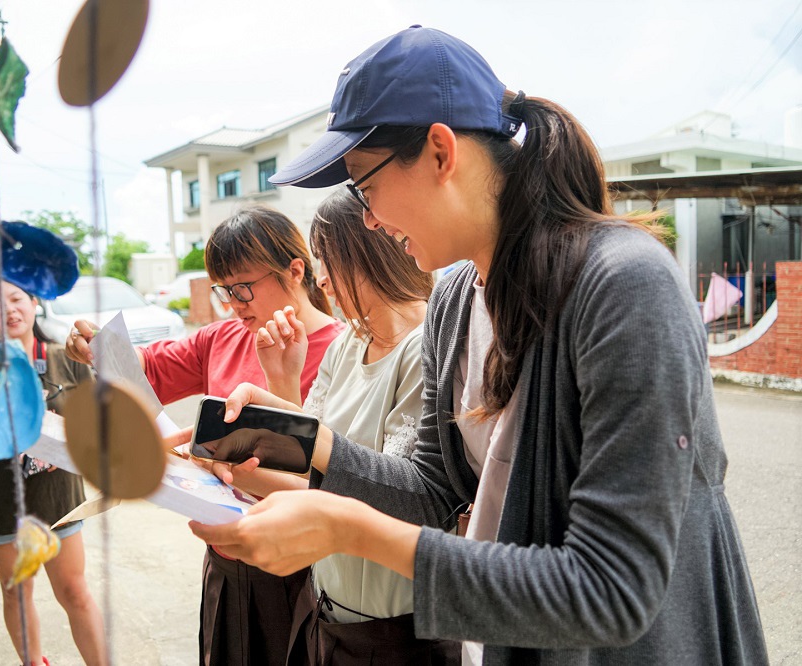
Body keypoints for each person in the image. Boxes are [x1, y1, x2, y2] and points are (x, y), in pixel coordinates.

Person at [187, 26, 768, 665]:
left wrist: (347, 528)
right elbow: (434, 487)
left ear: (440, 151)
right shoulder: (457, 298)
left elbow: (614, 591)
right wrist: (295, 437)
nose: (370, 219)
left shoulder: (624, 284)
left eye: (363, 185)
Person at [65, 204, 347, 666]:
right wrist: (98, 348)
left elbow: (333, 474)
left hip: (297, 565)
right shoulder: (222, 337)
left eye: (242, 288)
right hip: (223, 556)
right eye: (223, 290)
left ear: (294, 270)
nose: (233, 304)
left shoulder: (342, 351)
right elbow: (147, 369)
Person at [224, 191, 459, 663]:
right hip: (326, 610)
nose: (323, 279)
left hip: (398, 630)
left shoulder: (425, 347)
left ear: (373, 249)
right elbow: (305, 476)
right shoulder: (347, 343)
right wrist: (228, 469)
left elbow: (403, 493)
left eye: (331, 260)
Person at [0, 276, 106, 666]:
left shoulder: (67, 359)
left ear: (34, 303)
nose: (10, 310)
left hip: (58, 498)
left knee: (74, 591)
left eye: (17, 299)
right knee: (16, 591)